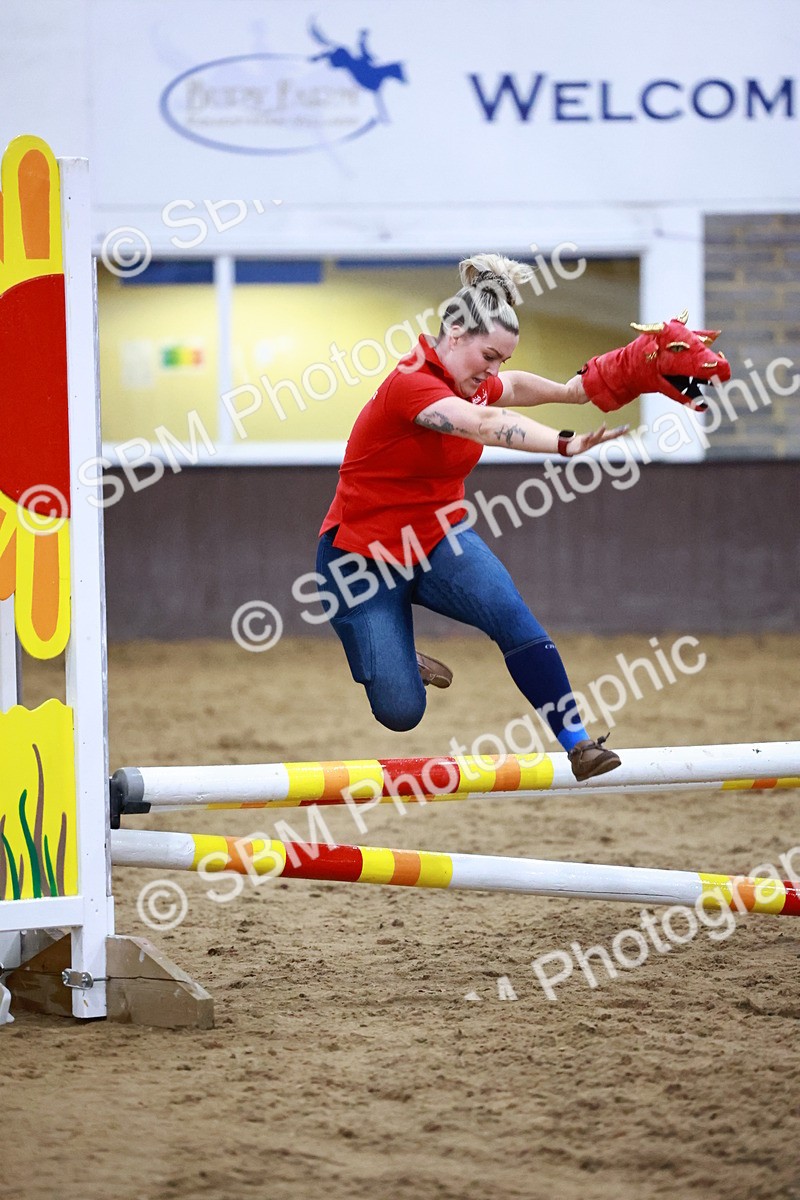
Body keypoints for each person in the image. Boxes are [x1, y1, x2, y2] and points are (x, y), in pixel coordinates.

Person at [315, 253, 728, 781]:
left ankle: (579, 743)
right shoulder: (412, 385)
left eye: (501, 361)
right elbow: (486, 422)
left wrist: (574, 392)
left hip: (438, 540)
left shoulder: (473, 378)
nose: (492, 372)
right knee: (400, 712)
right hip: (357, 559)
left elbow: (508, 391)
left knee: (512, 617)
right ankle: (396, 657)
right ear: (456, 333)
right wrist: (564, 442)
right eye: (488, 356)